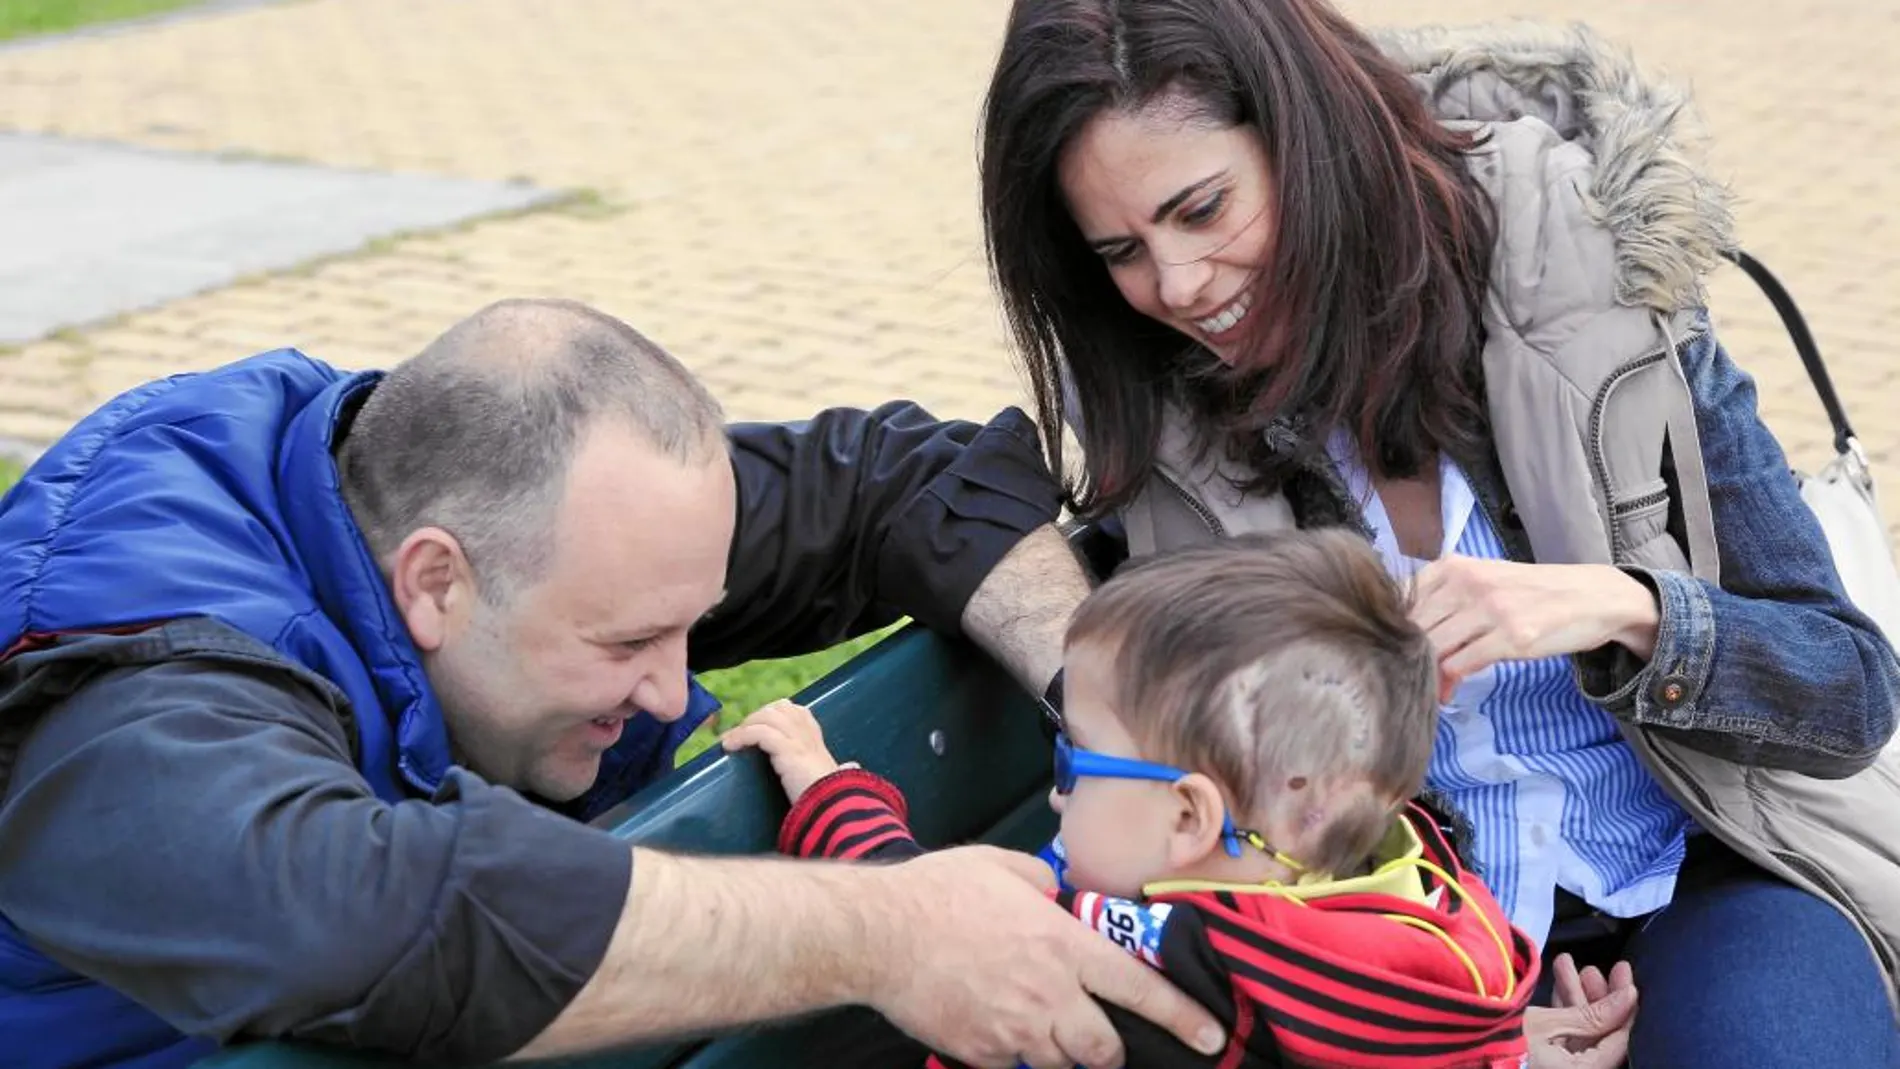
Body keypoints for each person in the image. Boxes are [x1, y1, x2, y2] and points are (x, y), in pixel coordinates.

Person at [974, 1, 1900, 1066]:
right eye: (1121, 250)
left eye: (1202, 208)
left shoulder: (1600, 289)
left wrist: (1620, 609)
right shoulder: (1161, 436)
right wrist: (1476, 1042)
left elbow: (1848, 690)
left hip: (1710, 869)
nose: (1176, 286)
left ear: (1303, 143)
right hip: (1398, 938)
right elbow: (1227, 831)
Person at [0, 297, 1225, 1069]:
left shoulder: (508, 518)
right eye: (628, 645)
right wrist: (893, 933)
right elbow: (343, 908)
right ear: (435, 584)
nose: (669, 689)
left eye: (686, 630)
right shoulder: (128, 667)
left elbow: (909, 483)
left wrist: (1120, 732)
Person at [730, 530, 1553, 1068]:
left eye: (1072, 757)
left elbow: (930, 920)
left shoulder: (1155, 957)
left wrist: (828, 789)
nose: (1057, 798)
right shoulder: (1437, 911)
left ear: (1188, 817)